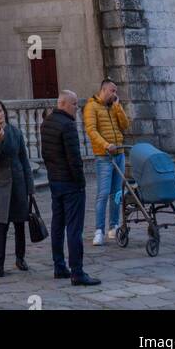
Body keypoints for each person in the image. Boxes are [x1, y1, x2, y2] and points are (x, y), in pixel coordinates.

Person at [40, 89, 100, 286]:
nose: (77, 108)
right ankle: (77, 272)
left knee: (58, 226)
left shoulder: (46, 123)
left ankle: (59, 266)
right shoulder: (68, 125)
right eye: (74, 104)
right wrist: (81, 183)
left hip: (55, 183)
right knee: (74, 229)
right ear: (63, 104)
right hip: (70, 184)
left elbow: (46, 155)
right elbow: (74, 159)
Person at [0, 99, 33, 277]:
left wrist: (30, 187)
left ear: (4, 113)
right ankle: (0, 264)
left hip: (18, 181)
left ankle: (20, 258)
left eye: (0, 110)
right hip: (1, 185)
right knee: (2, 225)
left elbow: (24, 160)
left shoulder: (16, 132)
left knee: (20, 224)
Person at [83, 77, 130, 245]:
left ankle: (114, 226)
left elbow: (125, 125)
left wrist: (118, 107)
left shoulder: (114, 107)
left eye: (115, 91)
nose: (115, 94)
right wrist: (105, 145)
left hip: (119, 153)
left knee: (117, 193)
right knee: (103, 194)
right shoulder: (91, 106)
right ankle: (99, 230)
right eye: (113, 91)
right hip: (104, 156)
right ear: (103, 90)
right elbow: (91, 130)